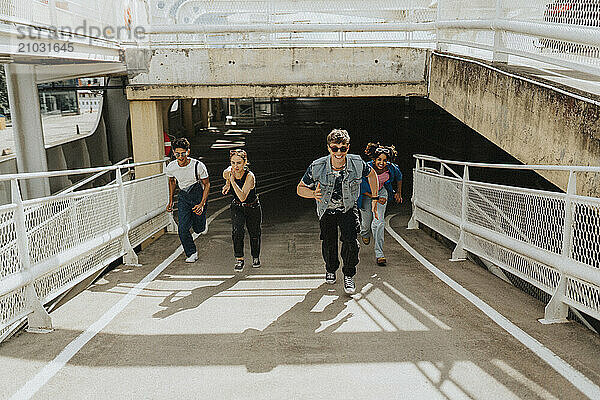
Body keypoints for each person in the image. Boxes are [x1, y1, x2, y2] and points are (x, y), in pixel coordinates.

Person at [297, 129, 379, 295]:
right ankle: (330, 269)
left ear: (348, 147)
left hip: (348, 209)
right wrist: (313, 193)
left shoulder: (357, 163)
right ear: (329, 148)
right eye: (335, 148)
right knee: (329, 243)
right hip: (326, 210)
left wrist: (375, 198)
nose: (339, 152)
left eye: (343, 148)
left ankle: (348, 275)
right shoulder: (317, 166)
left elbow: (372, 175)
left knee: (351, 243)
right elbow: (300, 188)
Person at [357, 143, 403, 266]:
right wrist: (374, 197)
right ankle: (364, 233)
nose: (382, 163)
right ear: (374, 159)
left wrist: (398, 192)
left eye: (385, 160)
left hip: (382, 191)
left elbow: (399, 177)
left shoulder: (391, 168)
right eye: (379, 159)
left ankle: (379, 254)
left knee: (379, 222)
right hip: (367, 193)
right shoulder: (366, 168)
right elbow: (360, 187)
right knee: (366, 223)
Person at [166, 138, 210, 263]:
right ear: (174, 153)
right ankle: (191, 253)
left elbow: (206, 184)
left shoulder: (198, 166)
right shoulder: (171, 167)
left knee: (198, 229)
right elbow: (172, 181)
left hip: (197, 195)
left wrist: (202, 204)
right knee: (182, 228)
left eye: (183, 153)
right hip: (183, 197)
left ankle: (202, 223)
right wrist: (170, 200)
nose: (180, 157)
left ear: (188, 152)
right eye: (177, 154)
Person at [222, 149, 262, 272]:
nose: (236, 166)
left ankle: (255, 256)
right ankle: (239, 259)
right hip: (237, 207)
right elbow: (226, 174)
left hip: (252, 206)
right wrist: (228, 182)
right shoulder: (228, 172)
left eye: (239, 163)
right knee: (237, 231)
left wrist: (232, 181)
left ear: (245, 162)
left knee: (254, 233)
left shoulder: (249, 176)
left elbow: (242, 196)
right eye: (233, 163)